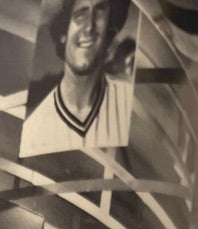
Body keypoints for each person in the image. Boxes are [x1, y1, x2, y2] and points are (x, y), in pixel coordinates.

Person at [20, 0, 133, 157]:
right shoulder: (34, 128)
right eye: (80, 15)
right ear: (63, 35)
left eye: (99, 13)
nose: (89, 26)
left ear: (110, 33)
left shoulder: (130, 102)